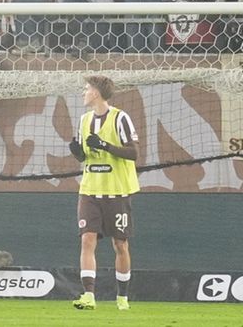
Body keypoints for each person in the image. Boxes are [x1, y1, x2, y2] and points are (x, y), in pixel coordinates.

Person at [67, 75, 139, 312]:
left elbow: (133, 153)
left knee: (120, 244)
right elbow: (86, 157)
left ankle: (122, 298)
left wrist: (106, 146)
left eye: (86, 89)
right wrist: (77, 153)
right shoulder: (84, 120)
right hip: (89, 190)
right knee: (87, 240)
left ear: (97, 93)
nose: (83, 93)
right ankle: (88, 295)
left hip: (117, 191)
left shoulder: (120, 118)